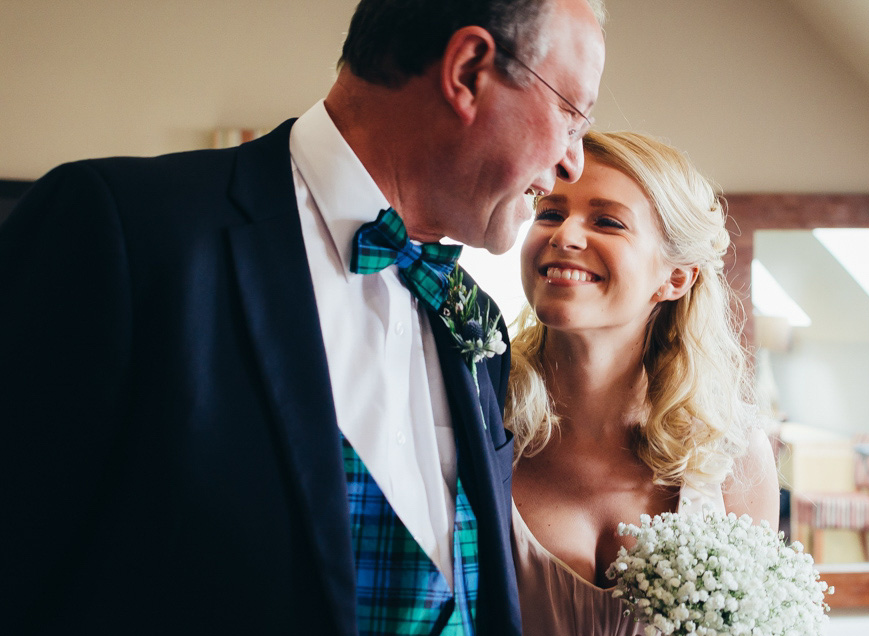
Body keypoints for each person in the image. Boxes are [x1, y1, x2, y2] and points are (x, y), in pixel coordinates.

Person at [0, 1, 606, 634]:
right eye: (571, 115)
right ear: (469, 71)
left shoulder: (475, 319)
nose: (572, 163)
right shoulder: (124, 233)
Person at [507, 131, 781, 635]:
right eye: (549, 212)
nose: (564, 235)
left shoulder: (736, 458)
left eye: (607, 221)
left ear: (675, 279)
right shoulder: (476, 420)